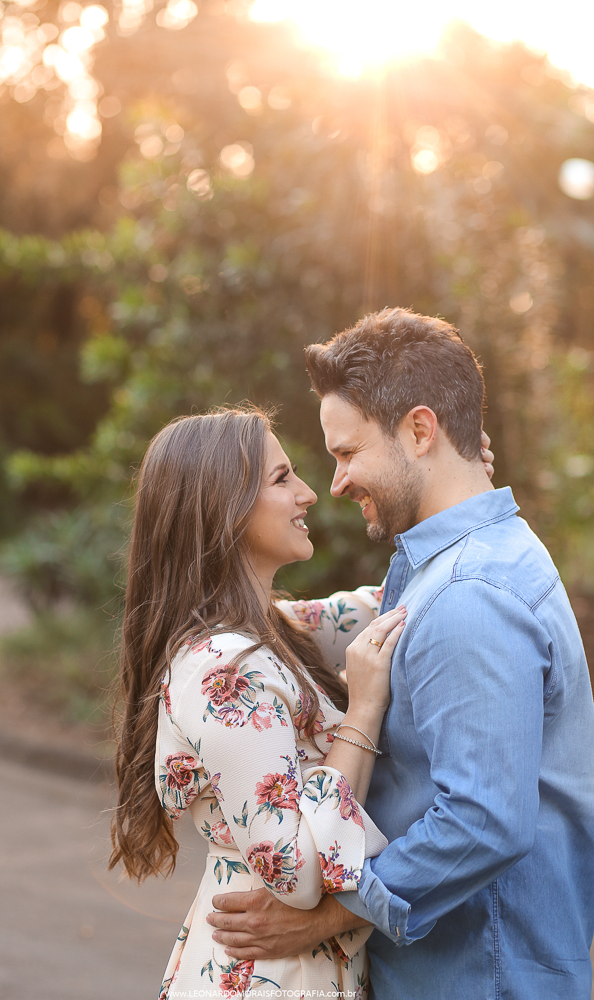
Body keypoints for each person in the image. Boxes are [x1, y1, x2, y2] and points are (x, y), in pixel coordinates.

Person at [208, 308, 594, 1000]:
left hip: (480, 978)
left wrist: (326, 917)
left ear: (419, 430)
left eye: (347, 453)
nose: (335, 483)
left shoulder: (470, 594)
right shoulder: (446, 566)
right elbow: (339, 618)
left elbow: (481, 822)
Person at [109, 406, 411, 998]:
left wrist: (456, 495)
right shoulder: (224, 668)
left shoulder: (271, 631)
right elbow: (294, 874)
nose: (307, 494)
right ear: (224, 509)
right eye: (281, 479)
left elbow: (388, 605)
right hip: (269, 975)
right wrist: (363, 712)